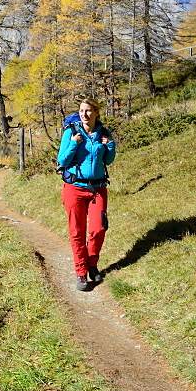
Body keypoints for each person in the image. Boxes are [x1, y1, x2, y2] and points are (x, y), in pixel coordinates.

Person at [57, 98, 116, 291]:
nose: (84, 114)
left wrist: (110, 146)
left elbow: (108, 160)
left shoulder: (103, 133)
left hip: (98, 188)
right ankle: (81, 272)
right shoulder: (71, 132)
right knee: (77, 231)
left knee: (99, 229)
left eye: (88, 111)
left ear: (96, 112)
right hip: (74, 188)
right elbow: (62, 160)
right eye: (82, 111)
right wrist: (74, 144)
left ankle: (92, 264)